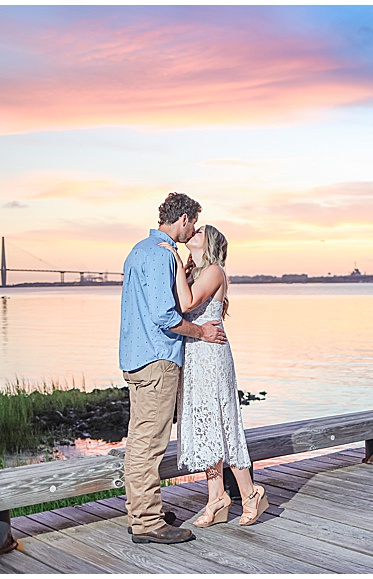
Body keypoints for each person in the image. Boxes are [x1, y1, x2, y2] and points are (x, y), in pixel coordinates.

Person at [119, 193, 227, 545]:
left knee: (139, 439)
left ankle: (141, 509)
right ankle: (148, 522)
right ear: (182, 218)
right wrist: (201, 331)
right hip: (157, 360)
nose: (194, 228)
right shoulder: (161, 255)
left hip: (137, 357)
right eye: (193, 221)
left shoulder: (139, 250)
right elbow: (166, 316)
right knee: (148, 445)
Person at [158, 224, 269, 528]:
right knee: (204, 425)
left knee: (221, 423)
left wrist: (178, 263)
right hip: (194, 353)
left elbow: (187, 303)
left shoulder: (215, 271)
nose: (193, 232)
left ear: (210, 244)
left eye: (200, 231)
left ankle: (250, 493)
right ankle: (216, 497)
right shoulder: (195, 273)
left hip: (212, 356)